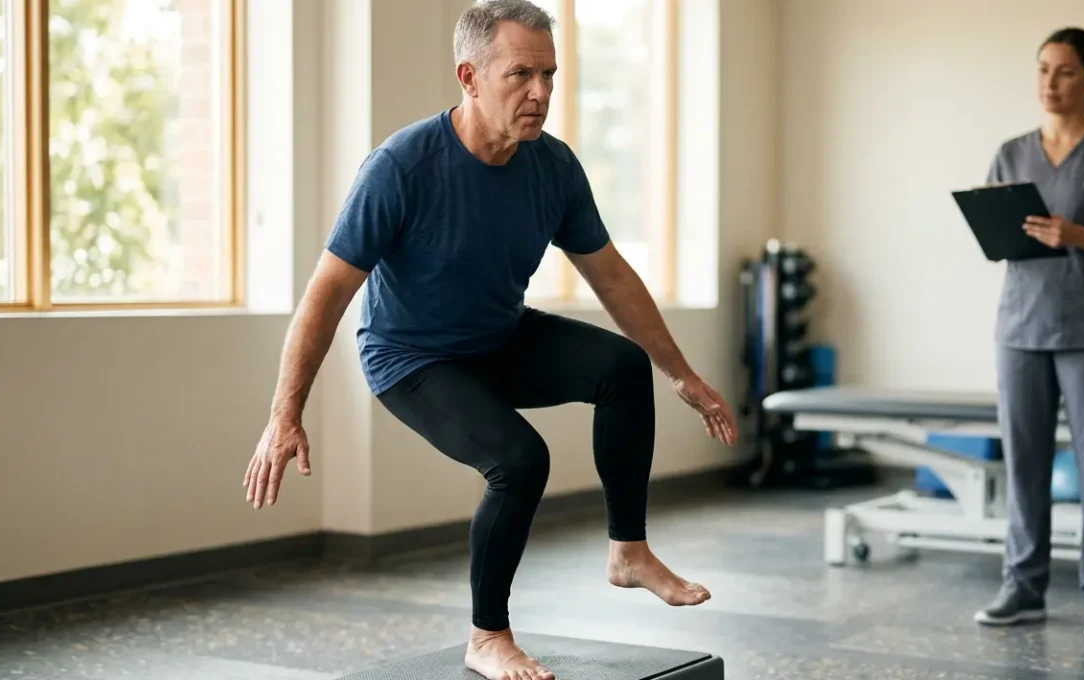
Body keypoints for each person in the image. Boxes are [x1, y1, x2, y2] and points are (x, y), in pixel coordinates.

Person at [240, 1, 738, 678]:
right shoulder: (402, 168)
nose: (540, 93)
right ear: (469, 77)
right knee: (519, 461)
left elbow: (612, 276)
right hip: (412, 359)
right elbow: (325, 296)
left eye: (550, 76)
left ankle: (629, 552)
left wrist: (681, 372)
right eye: (521, 75)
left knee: (621, 366)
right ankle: (488, 636)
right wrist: (284, 412)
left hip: (495, 336)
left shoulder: (552, 168)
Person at [972, 27, 1084, 641]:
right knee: (1024, 464)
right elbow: (1003, 238)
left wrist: (1073, 233)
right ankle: (1022, 588)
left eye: (1066, 72)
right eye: (1044, 70)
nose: (1051, 83)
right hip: (1020, 328)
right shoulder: (1010, 151)